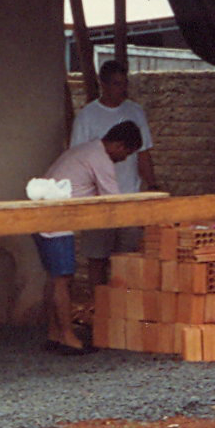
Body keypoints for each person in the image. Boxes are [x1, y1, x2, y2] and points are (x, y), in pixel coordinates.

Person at [33, 120, 143, 355]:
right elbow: (114, 201)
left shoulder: (86, 149)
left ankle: (54, 333)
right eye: (127, 152)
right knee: (63, 279)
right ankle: (68, 337)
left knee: (54, 278)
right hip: (57, 219)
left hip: (42, 215)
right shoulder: (100, 158)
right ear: (118, 145)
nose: (124, 159)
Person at [70, 60, 157, 282]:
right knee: (97, 258)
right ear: (103, 84)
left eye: (124, 84)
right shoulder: (87, 116)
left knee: (128, 259)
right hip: (99, 201)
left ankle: (122, 308)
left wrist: (153, 186)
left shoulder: (135, 111)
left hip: (129, 197)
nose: (122, 90)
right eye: (117, 84)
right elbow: (79, 158)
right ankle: (98, 307)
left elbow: (144, 154)